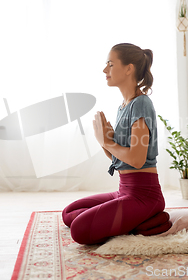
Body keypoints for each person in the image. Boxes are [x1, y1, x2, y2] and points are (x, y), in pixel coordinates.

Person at [62, 43, 171, 245]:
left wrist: (106, 141)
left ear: (129, 68)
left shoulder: (141, 103)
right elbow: (119, 159)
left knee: (79, 230)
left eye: (110, 64)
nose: (105, 70)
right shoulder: (123, 107)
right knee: (69, 213)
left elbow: (137, 160)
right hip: (124, 190)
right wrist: (106, 142)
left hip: (144, 195)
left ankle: (148, 215)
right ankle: (142, 222)